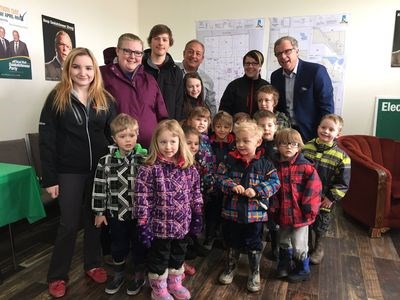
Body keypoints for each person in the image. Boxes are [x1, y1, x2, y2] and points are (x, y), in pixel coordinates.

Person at [39, 47, 117, 298]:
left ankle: (92, 264)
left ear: (95, 70)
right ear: (68, 69)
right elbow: (47, 140)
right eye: (76, 67)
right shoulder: (57, 98)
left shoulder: (105, 99)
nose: (82, 72)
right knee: (68, 223)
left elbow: (113, 135)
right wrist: (49, 178)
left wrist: (113, 166)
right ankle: (57, 275)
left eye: (88, 67)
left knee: (95, 218)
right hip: (68, 171)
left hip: (99, 170)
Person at [134, 119, 203, 300]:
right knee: (159, 257)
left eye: (173, 141)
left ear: (180, 141)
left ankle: (174, 283)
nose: (168, 146)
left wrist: (197, 213)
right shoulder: (149, 169)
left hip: (182, 224)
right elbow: (142, 199)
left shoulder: (189, 168)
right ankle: (159, 289)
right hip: (159, 226)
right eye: (163, 142)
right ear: (156, 142)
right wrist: (142, 223)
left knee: (178, 254)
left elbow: (196, 192)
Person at [217, 121, 280, 292]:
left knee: (254, 243)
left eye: (246, 141)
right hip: (232, 212)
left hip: (255, 214)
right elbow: (220, 177)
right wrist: (231, 186)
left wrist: (258, 190)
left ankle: (254, 272)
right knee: (232, 241)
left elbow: (275, 183)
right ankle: (230, 267)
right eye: (238, 141)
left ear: (258, 142)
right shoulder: (229, 159)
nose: (241, 145)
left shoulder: (266, 163)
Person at [92, 113, 148, 296]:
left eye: (131, 135)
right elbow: (100, 187)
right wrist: (99, 212)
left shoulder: (144, 159)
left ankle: (140, 274)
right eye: (122, 136)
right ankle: (119, 273)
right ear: (114, 138)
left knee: (140, 244)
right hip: (116, 214)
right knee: (118, 245)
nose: (128, 140)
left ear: (137, 134)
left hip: (139, 215)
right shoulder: (106, 161)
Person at [270, 128, 322, 283]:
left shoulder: (306, 167)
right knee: (284, 241)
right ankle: (284, 265)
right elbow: (271, 189)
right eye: (284, 144)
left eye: (293, 144)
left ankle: (302, 269)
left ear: (299, 146)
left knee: (300, 245)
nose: (289, 147)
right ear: (277, 146)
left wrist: (310, 210)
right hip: (282, 214)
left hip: (301, 215)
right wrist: (273, 207)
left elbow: (314, 190)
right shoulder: (273, 165)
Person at [101, 33, 168, 148]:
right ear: (117, 51)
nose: (132, 56)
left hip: (150, 151)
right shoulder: (102, 75)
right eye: (127, 51)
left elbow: (162, 116)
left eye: (137, 53)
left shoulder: (150, 80)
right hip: (118, 153)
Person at [302, 114, 351, 265]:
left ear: (338, 134)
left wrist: (331, 198)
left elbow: (343, 183)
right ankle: (307, 245)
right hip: (306, 195)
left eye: (331, 129)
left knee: (321, 222)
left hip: (325, 198)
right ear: (318, 128)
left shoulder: (342, 157)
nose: (326, 131)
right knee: (306, 220)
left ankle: (319, 246)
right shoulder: (306, 147)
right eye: (323, 127)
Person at [270, 36, 334, 143]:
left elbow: (326, 107)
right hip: (286, 134)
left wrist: (324, 133)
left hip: (312, 133)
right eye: (279, 53)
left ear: (297, 51)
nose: (283, 56)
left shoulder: (316, 71)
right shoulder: (275, 76)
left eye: (287, 51)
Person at [205, 111, 235, 249]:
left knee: (226, 212)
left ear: (230, 128)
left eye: (225, 127)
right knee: (211, 211)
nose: (222, 130)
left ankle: (225, 238)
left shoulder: (234, 144)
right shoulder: (208, 142)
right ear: (213, 127)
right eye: (218, 126)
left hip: (228, 182)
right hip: (212, 182)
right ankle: (210, 236)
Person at [142, 24, 184, 120]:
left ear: (170, 43)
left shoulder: (176, 72)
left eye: (165, 40)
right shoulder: (140, 68)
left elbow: (179, 104)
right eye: (157, 38)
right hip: (144, 125)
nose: (160, 43)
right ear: (150, 42)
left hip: (168, 127)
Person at [219, 50, 269, 116]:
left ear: (260, 66)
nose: (250, 66)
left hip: (260, 126)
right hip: (237, 125)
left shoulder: (266, 87)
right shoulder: (233, 86)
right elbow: (223, 111)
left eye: (254, 63)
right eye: (247, 63)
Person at [177, 39, 217, 117]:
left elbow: (211, 106)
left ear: (202, 59)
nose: (193, 56)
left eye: (198, 54)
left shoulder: (207, 80)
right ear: (184, 53)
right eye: (190, 52)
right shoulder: (172, 71)